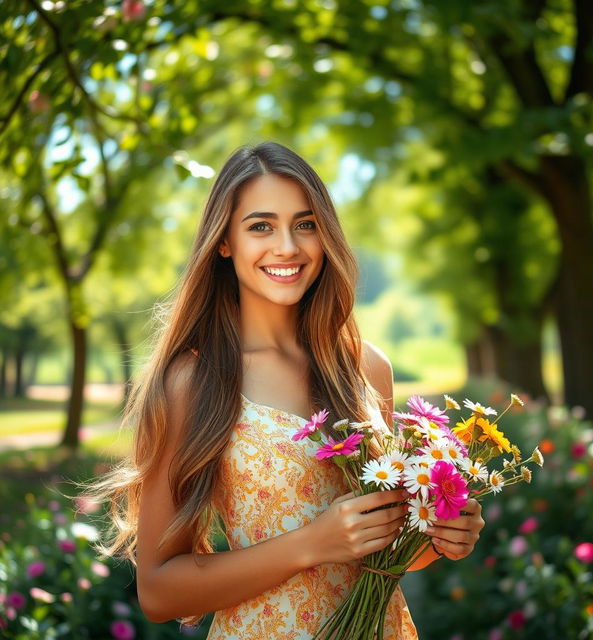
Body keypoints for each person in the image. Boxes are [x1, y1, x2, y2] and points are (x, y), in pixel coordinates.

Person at [80, 141, 485, 639]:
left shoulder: (364, 368)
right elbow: (159, 592)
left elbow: (381, 552)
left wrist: (440, 535)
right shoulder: (193, 382)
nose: (288, 247)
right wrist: (311, 543)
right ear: (224, 241)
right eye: (261, 226)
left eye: (306, 224)